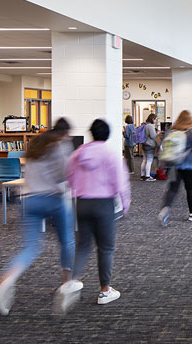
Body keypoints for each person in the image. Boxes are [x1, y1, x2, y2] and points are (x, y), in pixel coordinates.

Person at [0, 118, 77, 316]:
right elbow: (64, 176)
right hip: (52, 199)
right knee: (67, 241)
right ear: (65, 133)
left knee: (30, 247)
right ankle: (66, 285)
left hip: (28, 199)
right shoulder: (61, 145)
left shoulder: (36, 144)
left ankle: (7, 280)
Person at [66, 119, 130, 306]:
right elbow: (121, 182)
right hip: (103, 204)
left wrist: (77, 190)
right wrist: (125, 205)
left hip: (82, 203)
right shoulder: (111, 154)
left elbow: (69, 176)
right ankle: (104, 291)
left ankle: (71, 282)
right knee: (106, 248)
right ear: (108, 134)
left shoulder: (78, 153)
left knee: (83, 246)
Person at [158, 110, 192, 225]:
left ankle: (165, 209)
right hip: (190, 166)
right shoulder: (191, 134)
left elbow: (164, 147)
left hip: (174, 165)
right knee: (190, 189)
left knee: (173, 189)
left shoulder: (171, 132)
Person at [139, 113, 158, 181]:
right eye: (155, 119)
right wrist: (157, 133)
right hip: (150, 145)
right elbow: (153, 136)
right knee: (149, 161)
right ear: (153, 119)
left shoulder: (144, 125)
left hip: (144, 144)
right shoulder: (150, 126)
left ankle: (142, 175)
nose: (156, 121)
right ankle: (147, 176)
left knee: (144, 160)